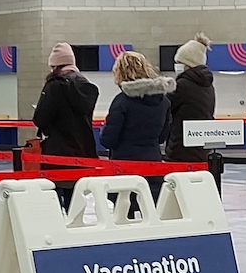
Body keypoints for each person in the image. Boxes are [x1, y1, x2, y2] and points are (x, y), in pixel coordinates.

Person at [100, 50, 173, 216]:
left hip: (124, 165)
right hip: (153, 163)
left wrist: (105, 127)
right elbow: (163, 136)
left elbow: (108, 140)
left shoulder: (122, 101)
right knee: (151, 210)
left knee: (125, 212)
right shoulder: (164, 101)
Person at [33, 42, 100, 210]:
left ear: (55, 65)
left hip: (57, 152)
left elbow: (40, 119)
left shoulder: (55, 85)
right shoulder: (87, 86)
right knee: (76, 200)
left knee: (53, 198)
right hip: (83, 150)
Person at [167, 33, 215, 163]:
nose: (176, 66)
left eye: (179, 63)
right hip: (201, 147)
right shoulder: (208, 85)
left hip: (182, 148)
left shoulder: (183, 85)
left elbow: (166, 106)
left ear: (188, 64)